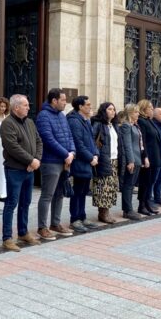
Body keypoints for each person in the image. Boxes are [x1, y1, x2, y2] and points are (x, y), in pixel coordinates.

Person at [0, 94, 42, 252]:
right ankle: (7, 238)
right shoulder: (7, 124)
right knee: (11, 203)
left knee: (26, 202)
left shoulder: (30, 122)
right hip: (15, 170)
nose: (29, 107)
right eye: (25, 105)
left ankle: (23, 232)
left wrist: (36, 159)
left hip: (29, 170)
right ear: (16, 107)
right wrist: (31, 161)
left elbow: (39, 141)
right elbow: (12, 147)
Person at [35, 89, 75, 240]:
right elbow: (47, 138)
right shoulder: (43, 116)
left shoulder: (62, 116)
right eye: (63, 100)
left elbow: (69, 135)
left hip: (65, 161)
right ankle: (42, 227)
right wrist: (66, 154)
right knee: (47, 195)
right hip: (50, 161)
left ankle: (55, 223)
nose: (65, 102)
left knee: (59, 194)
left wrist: (72, 152)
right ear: (54, 100)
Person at [66, 96, 99, 232]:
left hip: (89, 161)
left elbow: (92, 140)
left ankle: (82, 216)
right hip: (81, 161)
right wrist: (91, 158)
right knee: (78, 191)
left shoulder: (86, 120)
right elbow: (78, 144)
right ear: (80, 107)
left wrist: (96, 154)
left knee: (84, 190)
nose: (90, 107)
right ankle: (75, 219)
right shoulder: (74, 121)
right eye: (88, 104)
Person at [90, 102, 120, 224]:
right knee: (103, 187)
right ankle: (103, 213)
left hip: (114, 159)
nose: (113, 111)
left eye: (114, 109)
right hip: (104, 159)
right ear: (104, 111)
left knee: (111, 187)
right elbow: (92, 140)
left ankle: (106, 211)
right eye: (110, 109)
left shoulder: (113, 125)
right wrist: (97, 154)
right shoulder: (98, 124)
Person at [136, 100, 161, 216]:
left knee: (150, 183)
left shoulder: (150, 121)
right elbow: (142, 141)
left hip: (156, 157)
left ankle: (147, 203)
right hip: (148, 158)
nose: (152, 110)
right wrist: (145, 157)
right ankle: (142, 205)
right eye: (150, 108)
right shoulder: (142, 122)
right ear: (143, 109)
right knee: (145, 182)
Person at [117, 105, 143, 220]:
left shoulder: (134, 125)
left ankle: (129, 209)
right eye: (136, 112)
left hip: (137, 159)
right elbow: (127, 145)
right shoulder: (126, 126)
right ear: (130, 113)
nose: (138, 114)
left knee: (131, 185)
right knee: (128, 186)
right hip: (132, 160)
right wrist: (130, 161)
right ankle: (127, 210)